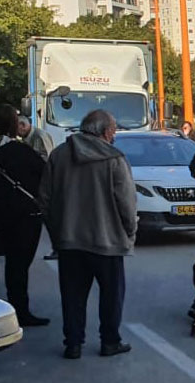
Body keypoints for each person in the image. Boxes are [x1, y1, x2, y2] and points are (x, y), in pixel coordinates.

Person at [39, 109, 138, 359]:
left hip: (70, 241)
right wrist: (130, 231)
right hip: (108, 241)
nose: (114, 136)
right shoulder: (114, 159)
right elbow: (127, 202)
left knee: (72, 295)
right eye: (114, 131)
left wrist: (57, 232)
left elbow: (45, 199)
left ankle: (73, 343)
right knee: (111, 295)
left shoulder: (59, 155)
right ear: (105, 132)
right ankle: (110, 341)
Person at [0, 104, 50, 327]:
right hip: (24, 214)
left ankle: (16, 305)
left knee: (13, 262)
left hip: (0, 213)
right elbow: (43, 171)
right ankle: (20, 310)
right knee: (20, 264)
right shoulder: (18, 150)